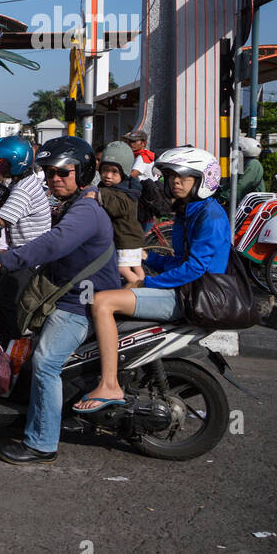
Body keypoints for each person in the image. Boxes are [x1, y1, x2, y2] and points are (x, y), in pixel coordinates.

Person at [0, 136, 120, 465]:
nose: (55, 178)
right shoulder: (73, 204)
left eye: (63, 172)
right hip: (69, 295)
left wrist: (8, 260)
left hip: (79, 304)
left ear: (82, 173)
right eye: (49, 172)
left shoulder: (85, 210)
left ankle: (42, 443)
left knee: (45, 363)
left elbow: (55, 243)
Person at [74, 147, 231, 413]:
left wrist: (146, 283)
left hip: (193, 296)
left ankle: (110, 384)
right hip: (187, 289)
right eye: (171, 177)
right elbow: (182, 261)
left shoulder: (210, 216)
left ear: (203, 180)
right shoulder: (191, 210)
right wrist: (147, 256)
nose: (175, 182)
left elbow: (195, 269)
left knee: (102, 302)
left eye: (184, 177)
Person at [92, 141, 146, 283]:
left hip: (126, 240)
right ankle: (144, 284)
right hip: (131, 238)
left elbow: (118, 208)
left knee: (123, 269)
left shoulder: (124, 192)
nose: (108, 175)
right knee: (136, 267)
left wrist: (98, 195)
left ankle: (141, 288)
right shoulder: (119, 188)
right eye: (105, 170)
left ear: (124, 172)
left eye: (114, 172)